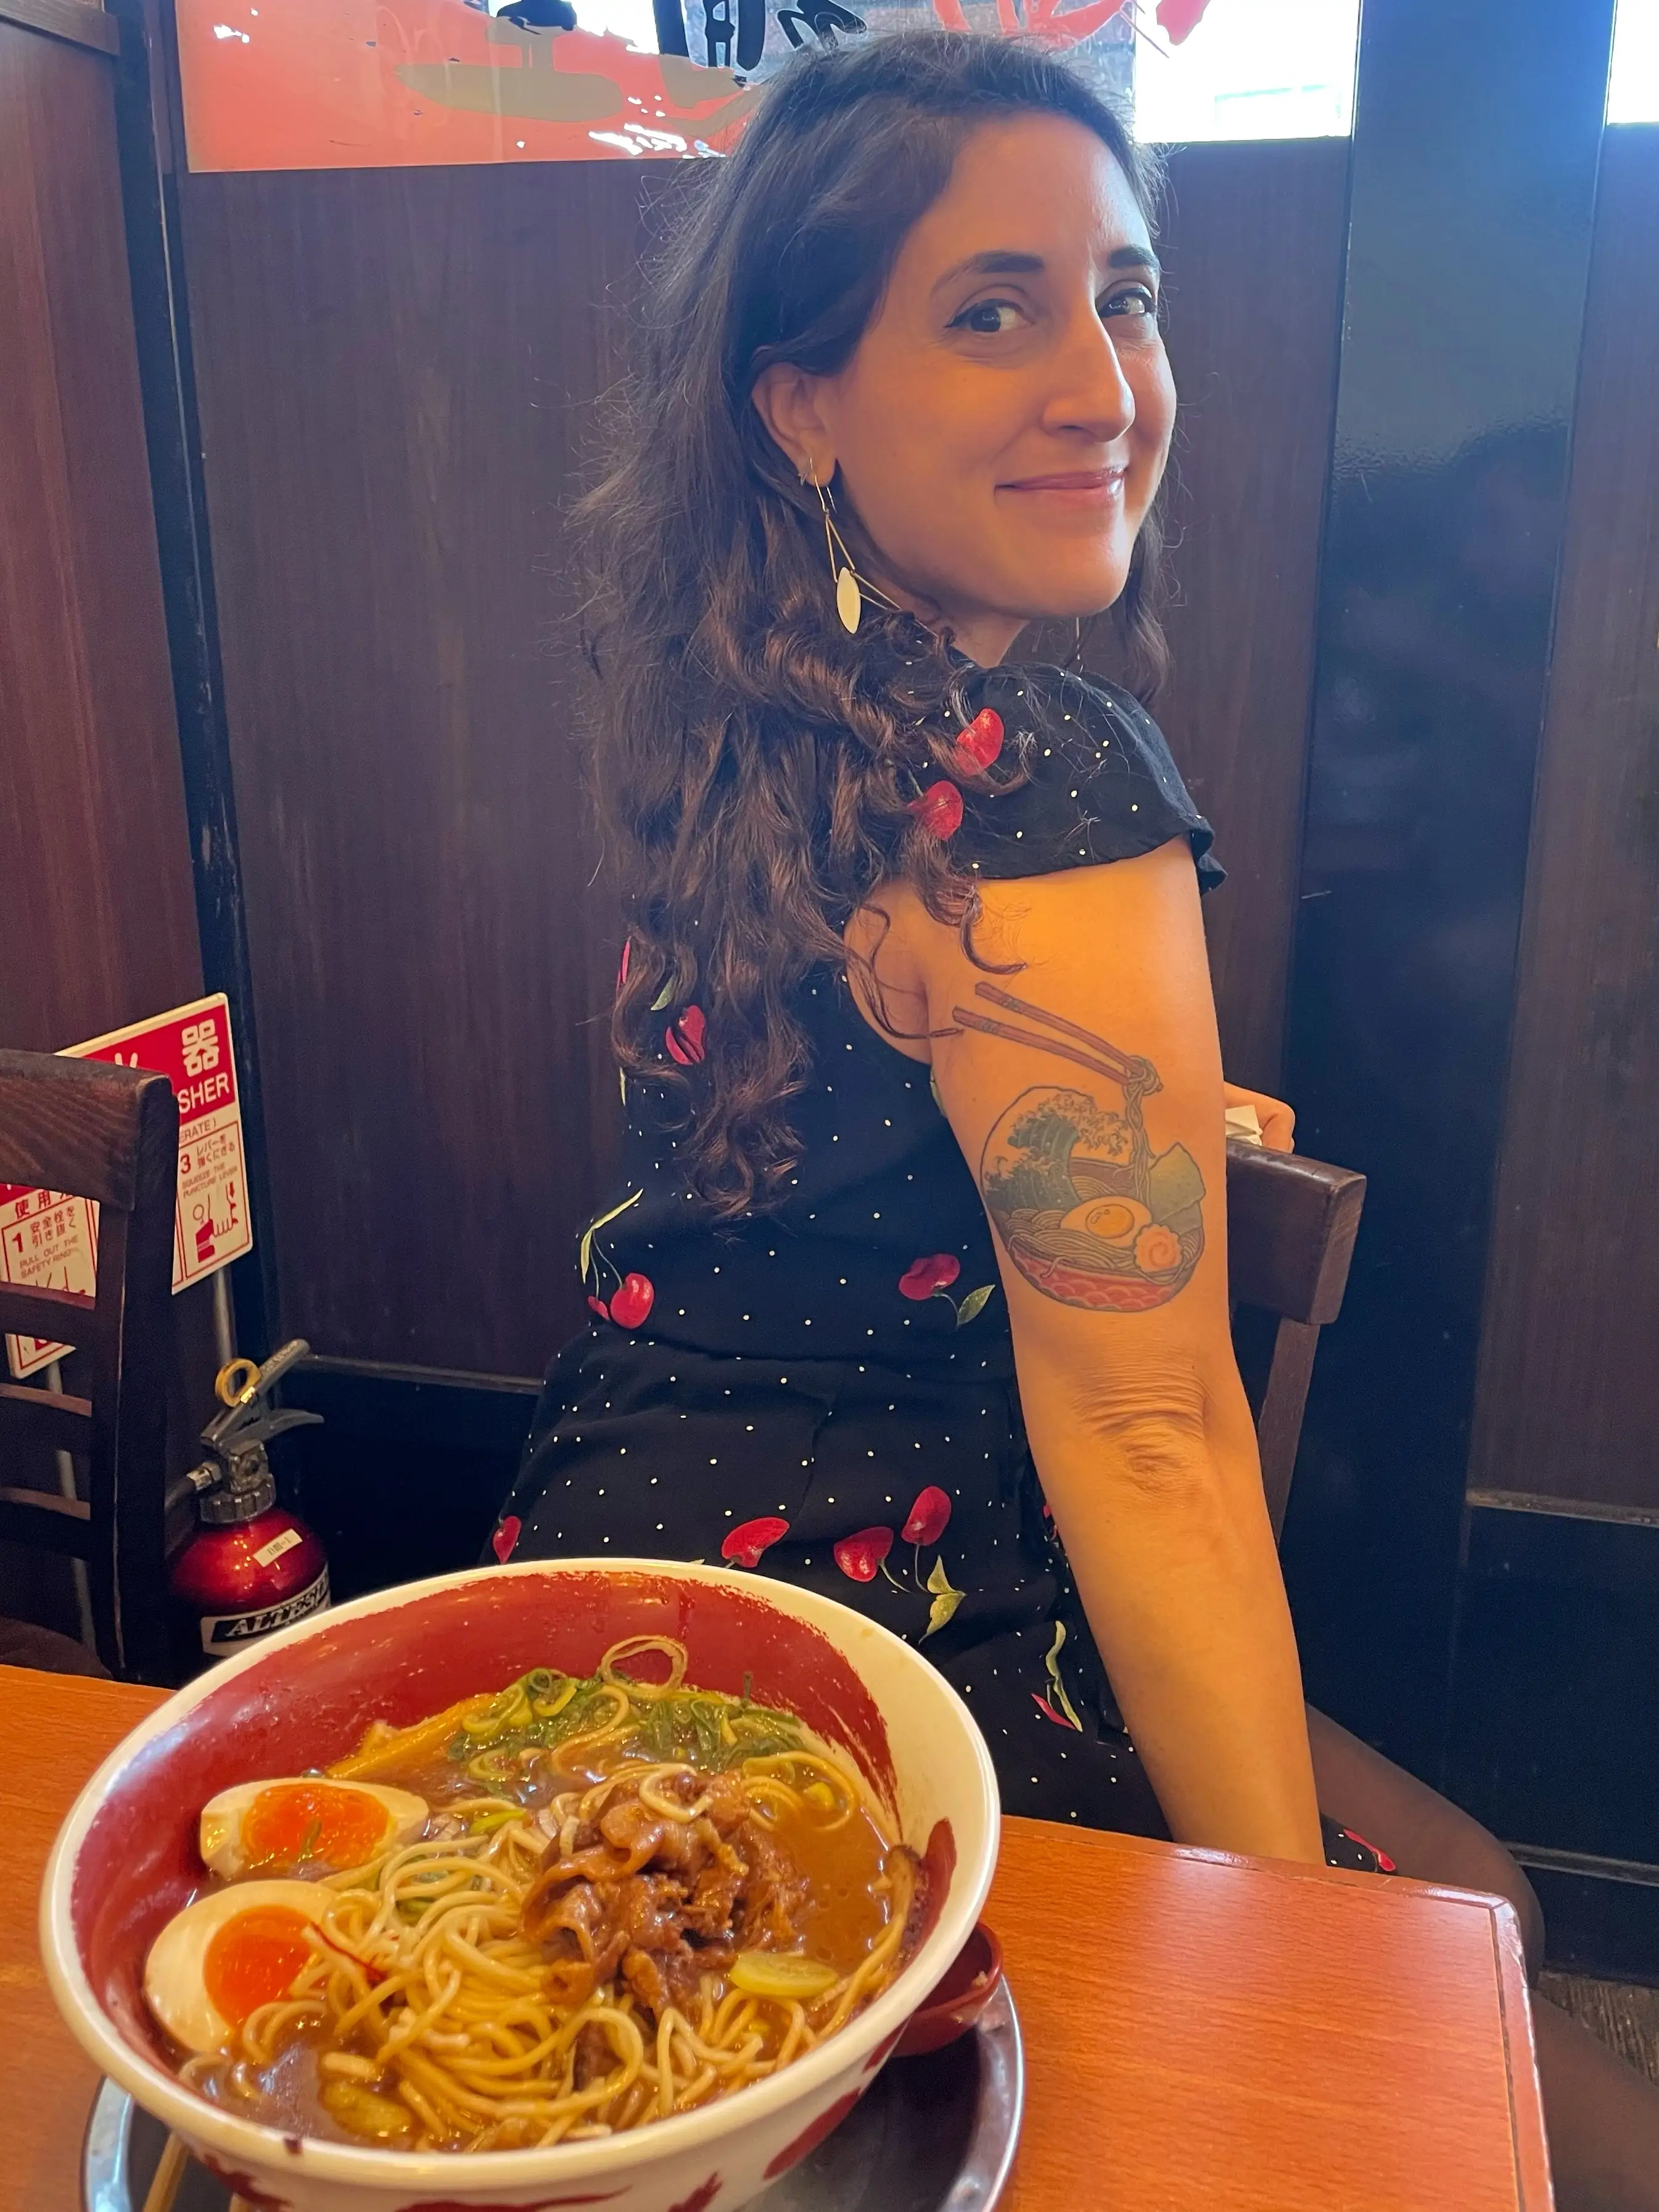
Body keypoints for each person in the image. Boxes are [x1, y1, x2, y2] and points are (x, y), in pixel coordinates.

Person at [489, 31, 1659, 2202]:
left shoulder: (742, 725)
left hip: (613, 1560)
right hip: (889, 1629)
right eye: (992, 312)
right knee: (1503, 2035)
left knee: (1487, 1901)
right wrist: (1303, 1986)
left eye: (1125, 297)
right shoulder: (1038, 777)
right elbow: (1149, 1438)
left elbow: (817, 1135)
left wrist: (1146, 1105)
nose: (1103, 382)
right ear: (800, 405)